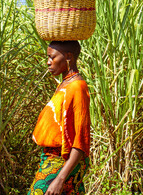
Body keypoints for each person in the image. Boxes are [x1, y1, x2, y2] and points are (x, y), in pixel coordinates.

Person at [28, 41, 91, 195]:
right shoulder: (65, 84)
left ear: (68, 57)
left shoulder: (77, 87)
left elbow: (81, 140)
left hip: (62, 161)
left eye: (52, 57)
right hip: (52, 158)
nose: (48, 62)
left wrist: (60, 179)